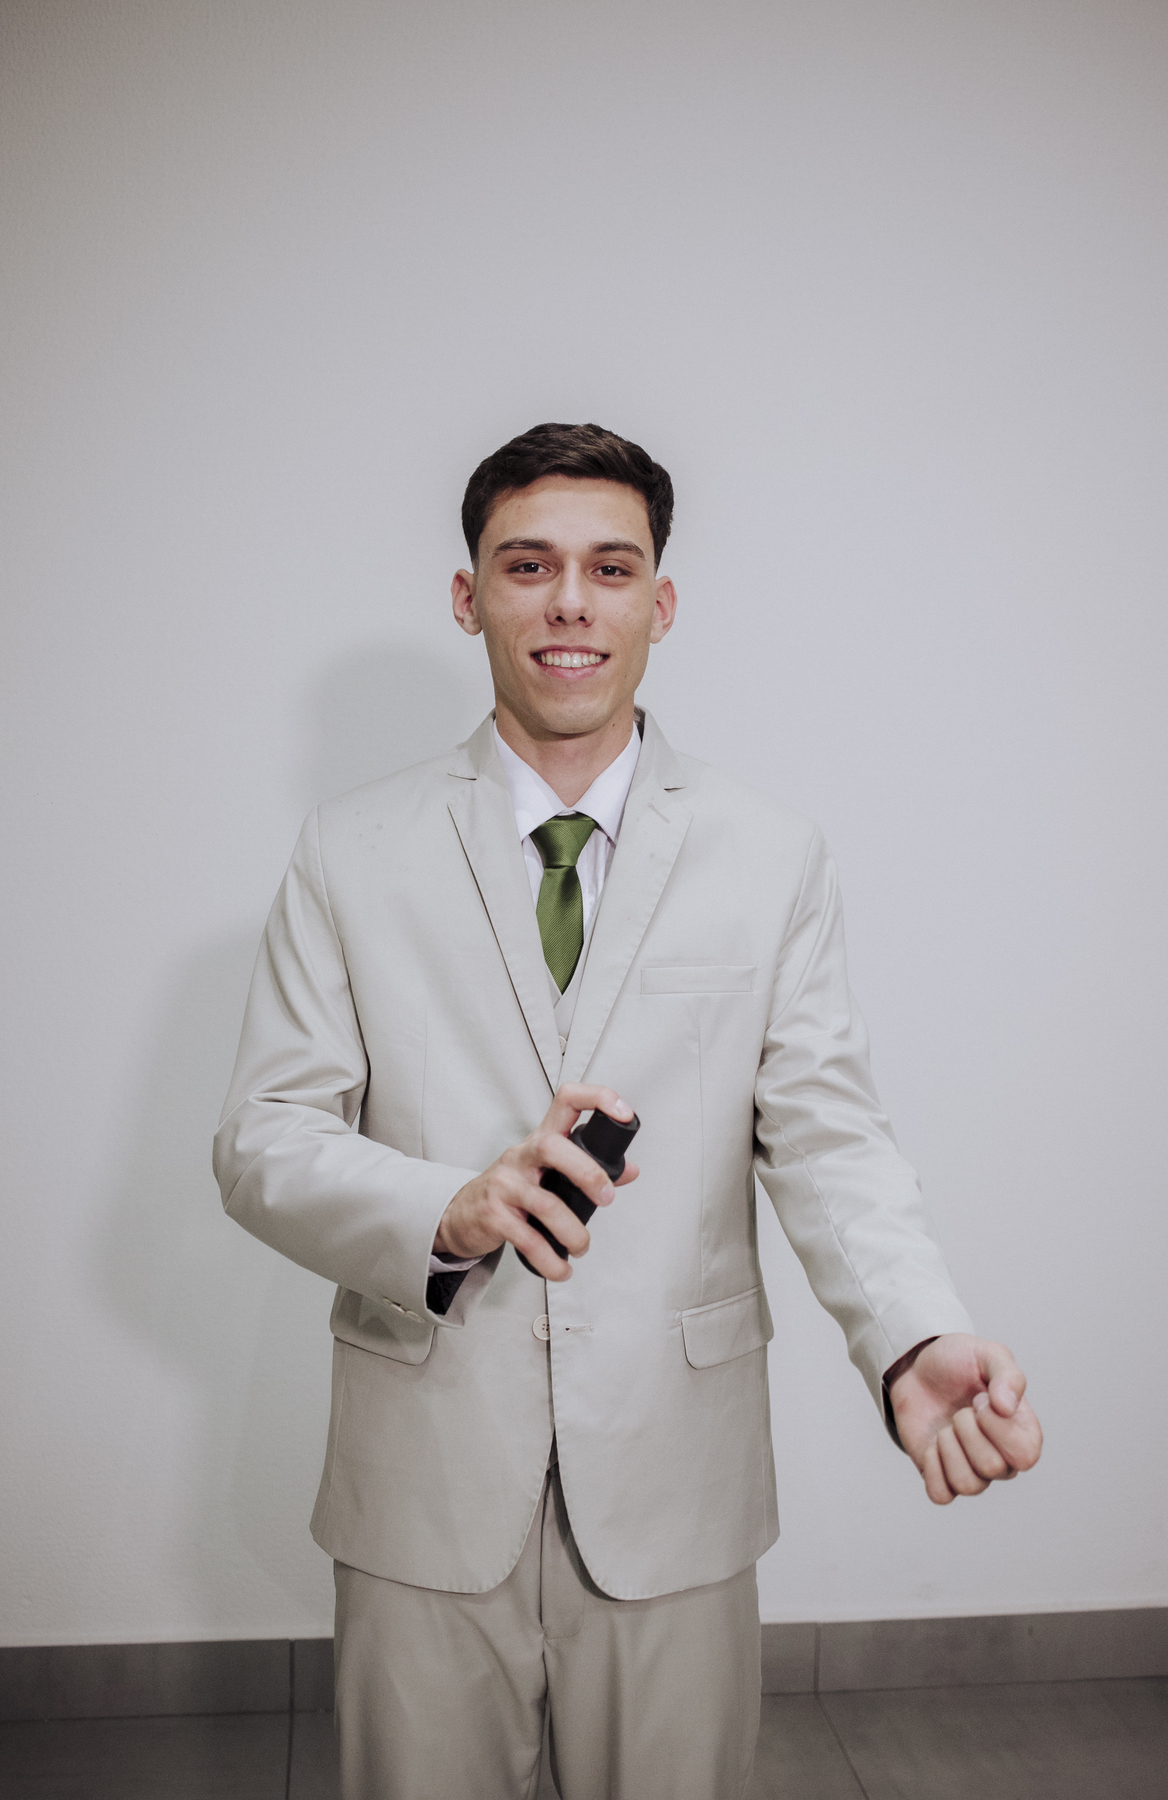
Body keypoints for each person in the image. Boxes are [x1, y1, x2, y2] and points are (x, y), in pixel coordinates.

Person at [213, 422, 1042, 1800]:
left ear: (661, 603)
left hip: (677, 1478)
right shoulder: (349, 851)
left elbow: (829, 1138)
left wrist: (911, 1337)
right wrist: (446, 1207)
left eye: (610, 568)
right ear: (468, 596)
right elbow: (262, 1143)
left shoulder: (772, 855)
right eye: (527, 565)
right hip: (424, 1475)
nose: (570, 603)